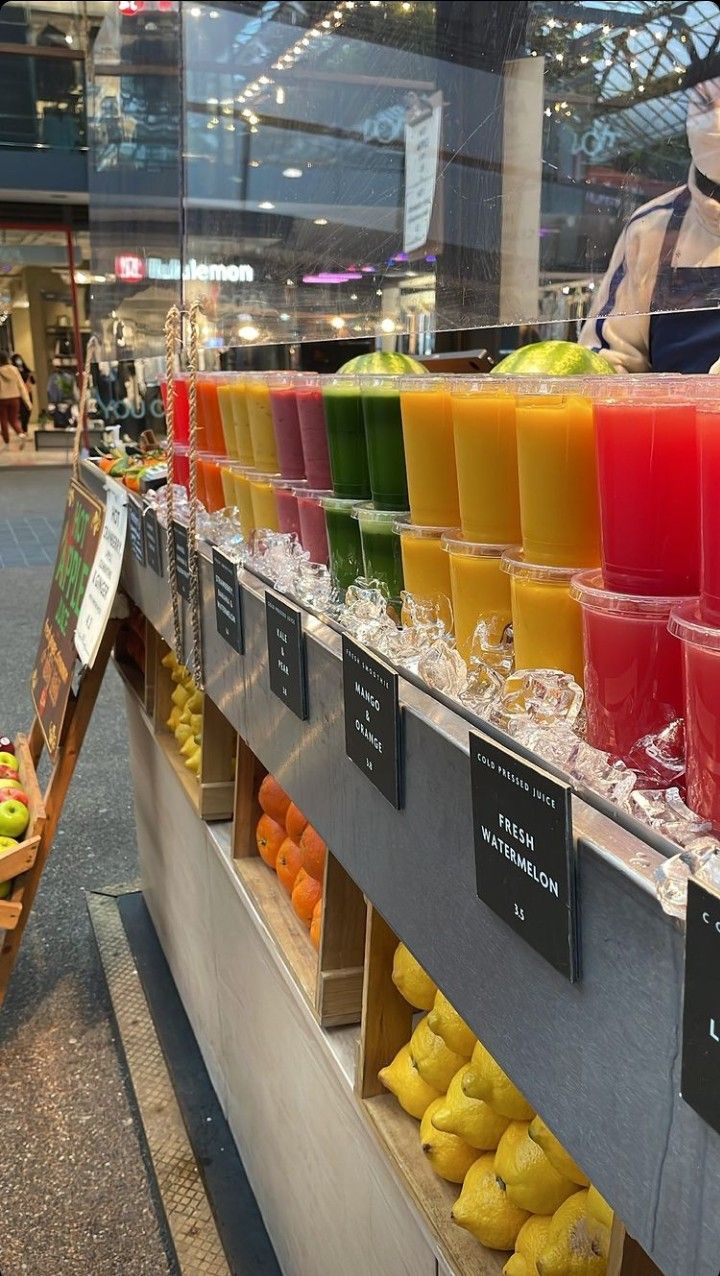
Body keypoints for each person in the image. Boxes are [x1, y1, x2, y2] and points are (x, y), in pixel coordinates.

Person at [580, 79, 720, 374]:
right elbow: (609, 355)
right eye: (706, 103)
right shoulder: (653, 226)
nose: (717, 116)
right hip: (675, 419)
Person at [0, 352, 31, 449]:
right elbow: (21, 385)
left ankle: (6, 442)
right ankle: (21, 434)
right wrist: (27, 401)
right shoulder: (14, 370)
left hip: (2, 399)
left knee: (3, 420)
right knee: (13, 419)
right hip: (15, 399)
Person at [10, 353, 35, 434]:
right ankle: (24, 430)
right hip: (20, 393)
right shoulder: (14, 370)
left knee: (29, 410)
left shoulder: (26, 369)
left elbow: (33, 381)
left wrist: (31, 376)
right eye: (17, 359)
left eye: (19, 359)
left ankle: (24, 427)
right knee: (23, 411)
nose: (19, 361)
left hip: (28, 392)